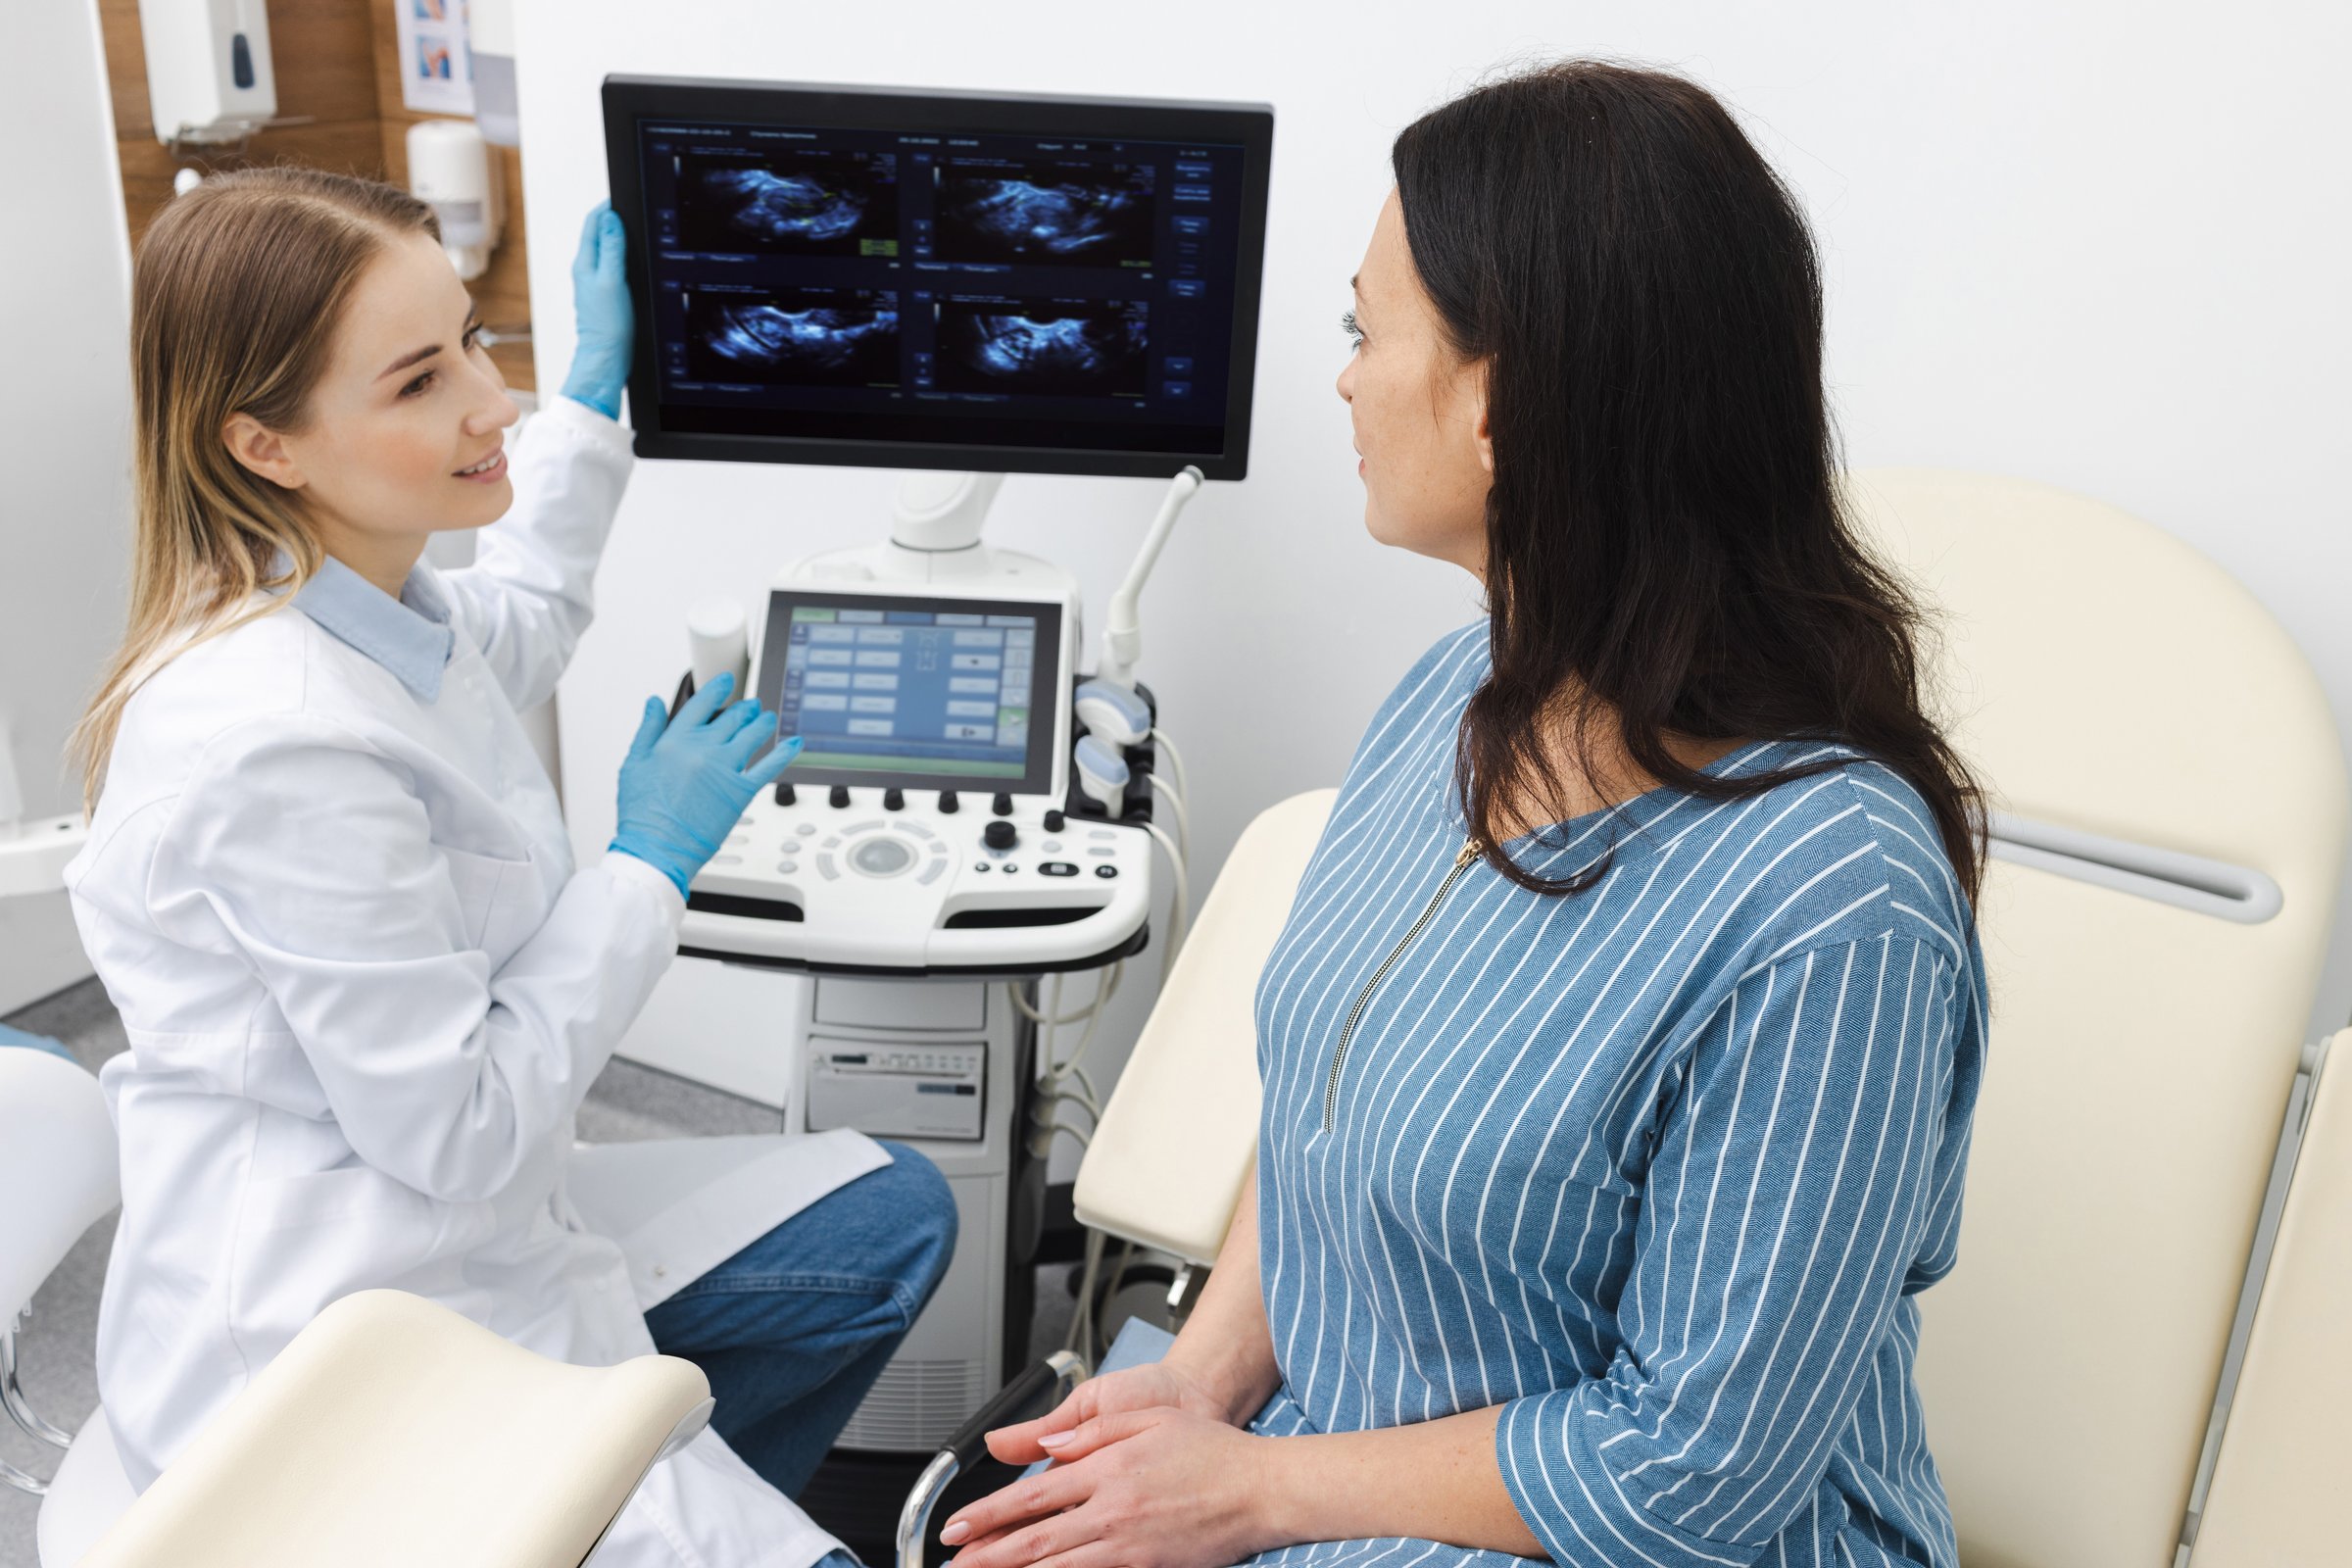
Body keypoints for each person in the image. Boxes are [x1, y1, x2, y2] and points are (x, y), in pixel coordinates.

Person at [941, 61, 1986, 1568]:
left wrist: (1247, 1492)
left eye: (1369, 333)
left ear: (1504, 399)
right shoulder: (1450, 696)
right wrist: (1193, 1386)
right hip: (1333, 1474)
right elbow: (1322, 1119)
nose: (1348, 379)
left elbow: (1690, 1481)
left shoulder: (1834, 903)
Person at [65, 167, 956, 1568]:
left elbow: (523, 614)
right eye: (420, 380)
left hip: (476, 1234)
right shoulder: (270, 744)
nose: (494, 402)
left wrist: (594, 396)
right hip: (333, 1346)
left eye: (478, 339)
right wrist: (647, 866)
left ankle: (637, 1496)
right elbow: (461, 1132)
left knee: (890, 1217)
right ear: (267, 444)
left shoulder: (373, 600)